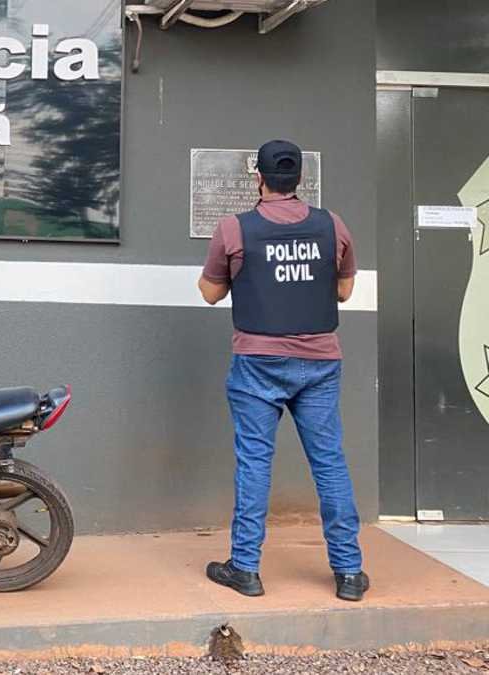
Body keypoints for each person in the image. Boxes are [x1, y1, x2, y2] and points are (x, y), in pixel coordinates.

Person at [197, 140, 369, 602]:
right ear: (299, 180)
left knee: (255, 462)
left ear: (259, 177)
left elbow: (210, 294)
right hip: (320, 363)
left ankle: (245, 568)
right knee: (329, 463)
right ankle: (350, 572)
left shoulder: (234, 229)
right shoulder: (333, 225)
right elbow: (345, 291)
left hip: (257, 363)